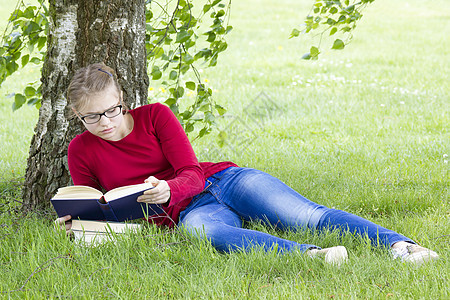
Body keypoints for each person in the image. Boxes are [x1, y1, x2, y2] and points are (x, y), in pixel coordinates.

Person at [56, 63, 439, 265]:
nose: (105, 122)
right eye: (92, 117)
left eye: (111, 110)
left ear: (122, 98)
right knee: (205, 235)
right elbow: (100, 204)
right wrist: (80, 219)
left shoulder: (155, 115)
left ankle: (402, 245)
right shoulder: (81, 150)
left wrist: (169, 187)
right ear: (77, 115)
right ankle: (314, 255)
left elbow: (190, 172)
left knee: (304, 214)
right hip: (190, 212)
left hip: (221, 181)